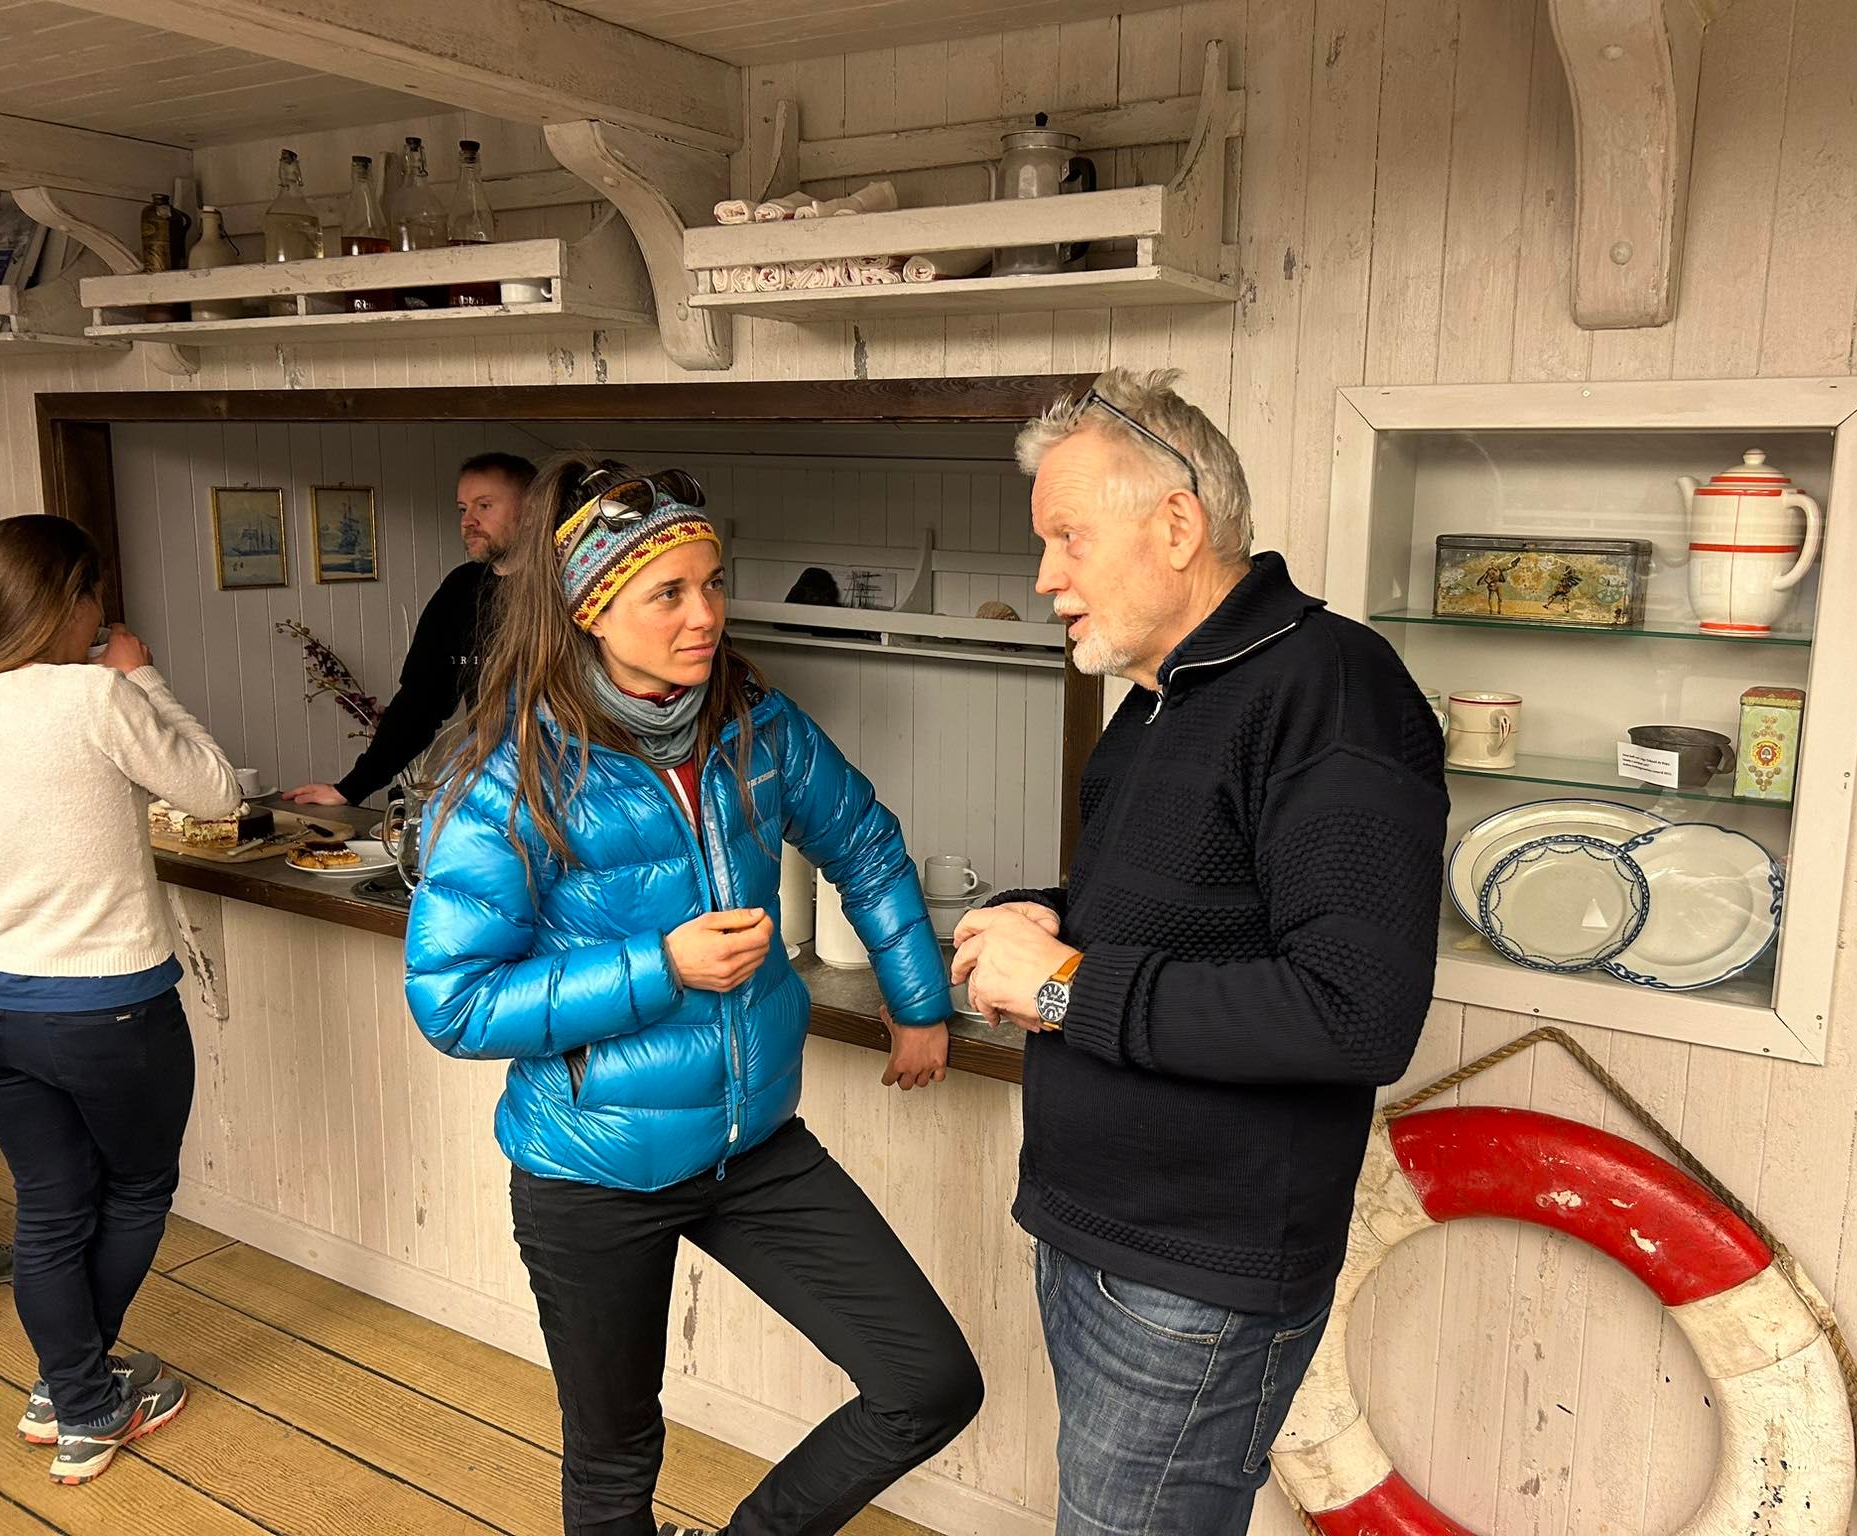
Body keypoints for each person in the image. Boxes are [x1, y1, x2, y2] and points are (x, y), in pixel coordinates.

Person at [404, 458, 982, 1536]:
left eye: (713, 583)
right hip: (591, 1169)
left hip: (751, 1148)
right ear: (589, 609)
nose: (705, 615)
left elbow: (863, 841)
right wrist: (660, 966)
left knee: (928, 1381)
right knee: (616, 1458)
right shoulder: (512, 773)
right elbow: (455, 1003)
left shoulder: (754, 724)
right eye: (667, 593)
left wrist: (917, 1004)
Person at [950, 371, 1448, 1535]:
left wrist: (1060, 987)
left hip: (1193, 1275)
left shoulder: (1330, 689)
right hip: (1097, 1234)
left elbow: (1353, 1012)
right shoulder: (1161, 696)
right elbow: (1177, 918)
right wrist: (1039, 918)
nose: (1044, 576)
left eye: (1067, 537)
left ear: (1176, 524)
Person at [0, 516, 235, 1484]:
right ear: (72, 600)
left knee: (50, 1211)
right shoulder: (98, 695)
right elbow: (214, 791)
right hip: (110, 1005)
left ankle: (72, 1391)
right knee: (137, 1188)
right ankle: (86, 1403)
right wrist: (143, 677)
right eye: (93, 595)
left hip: (2, 1005)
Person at [285, 451, 533, 806]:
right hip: (498, 790)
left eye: (485, 505)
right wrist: (351, 788)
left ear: (532, 510)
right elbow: (420, 702)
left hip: (582, 788)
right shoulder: (461, 590)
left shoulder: (575, 586)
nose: (468, 521)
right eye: (462, 509)